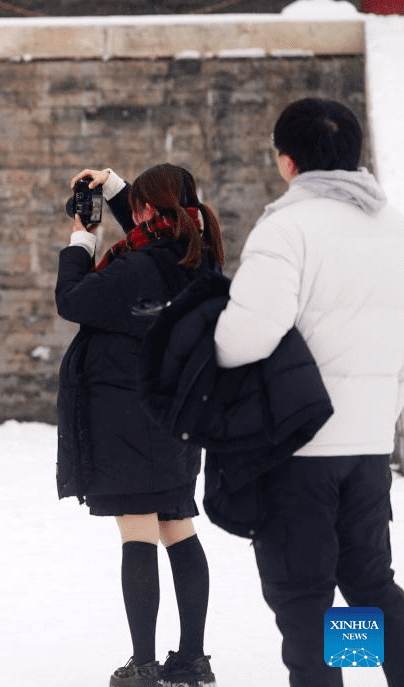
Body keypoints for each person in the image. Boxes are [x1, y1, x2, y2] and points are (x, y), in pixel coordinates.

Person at [213, 97, 404, 687]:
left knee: (305, 596)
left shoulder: (288, 228)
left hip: (300, 447)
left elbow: (244, 339)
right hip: (370, 441)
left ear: (288, 163)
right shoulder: (393, 225)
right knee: (365, 580)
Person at [55, 163, 225, 687]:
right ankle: (193, 660)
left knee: (138, 532)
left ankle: (144, 664)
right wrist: (114, 187)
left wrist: (81, 241)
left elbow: (73, 299)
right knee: (177, 526)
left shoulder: (137, 270)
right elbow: (152, 232)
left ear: (152, 211)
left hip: (128, 415)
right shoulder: (197, 256)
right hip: (174, 417)